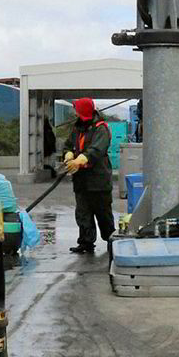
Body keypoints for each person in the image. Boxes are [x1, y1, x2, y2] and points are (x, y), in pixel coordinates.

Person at [63, 97, 113, 254]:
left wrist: (80, 160)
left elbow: (97, 150)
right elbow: (68, 144)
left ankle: (111, 240)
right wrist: (69, 154)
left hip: (98, 180)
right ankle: (86, 242)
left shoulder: (101, 129)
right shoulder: (77, 128)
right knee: (83, 213)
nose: (75, 113)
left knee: (103, 214)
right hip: (81, 181)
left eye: (77, 110)